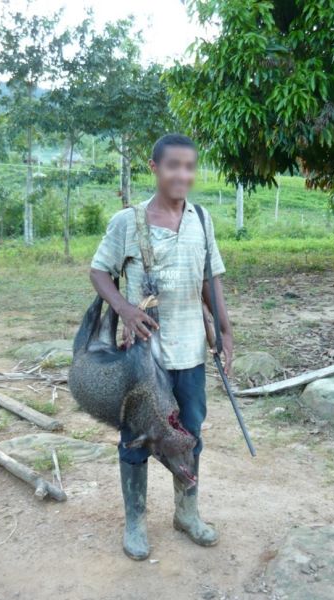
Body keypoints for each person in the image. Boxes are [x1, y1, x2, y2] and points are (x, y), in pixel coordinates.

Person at [90, 133, 233, 560]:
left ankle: (186, 513)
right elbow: (99, 272)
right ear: (154, 168)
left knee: (189, 434)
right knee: (136, 437)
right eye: (173, 166)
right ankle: (135, 521)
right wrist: (124, 309)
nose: (181, 175)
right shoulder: (127, 222)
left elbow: (210, 280)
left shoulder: (201, 219)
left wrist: (225, 331)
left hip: (190, 353)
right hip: (142, 356)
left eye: (189, 167)